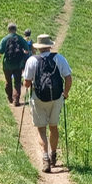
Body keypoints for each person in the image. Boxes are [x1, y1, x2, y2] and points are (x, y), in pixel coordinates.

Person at [22, 34, 72, 171]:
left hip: (38, 98)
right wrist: (65, 93)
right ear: (50, 46)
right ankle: (54, 155)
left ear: (38, 48)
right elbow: (68, 78)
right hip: (56, 98)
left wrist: (28, 83)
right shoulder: (59, 59)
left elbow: (26, 83)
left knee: (41, 129)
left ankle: (45, 158)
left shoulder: (32, 61)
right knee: (53, 127)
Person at [0, 22, 29, 106]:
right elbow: (27, 49)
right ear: (15, 30)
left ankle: (10, 98)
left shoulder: (5, 39)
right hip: (18, 64)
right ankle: (16, 100)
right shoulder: (20, 38)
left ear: (8, 30)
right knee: (17, 82)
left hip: (7, 64)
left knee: (8, 81)